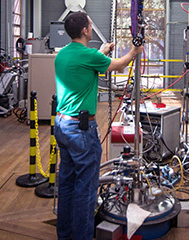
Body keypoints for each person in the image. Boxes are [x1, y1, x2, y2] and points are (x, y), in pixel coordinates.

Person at [54, 11, 143, 240]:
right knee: (85, 189)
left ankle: (64, 235)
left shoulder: (62, 55)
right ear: (85, 30)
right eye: (91, 25)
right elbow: (120, 65)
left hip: (62, 126)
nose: (92, 28)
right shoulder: (89, 56)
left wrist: (102, 52)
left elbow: (88, 62)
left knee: (66, 183)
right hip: (82, 131)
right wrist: (134, 52)